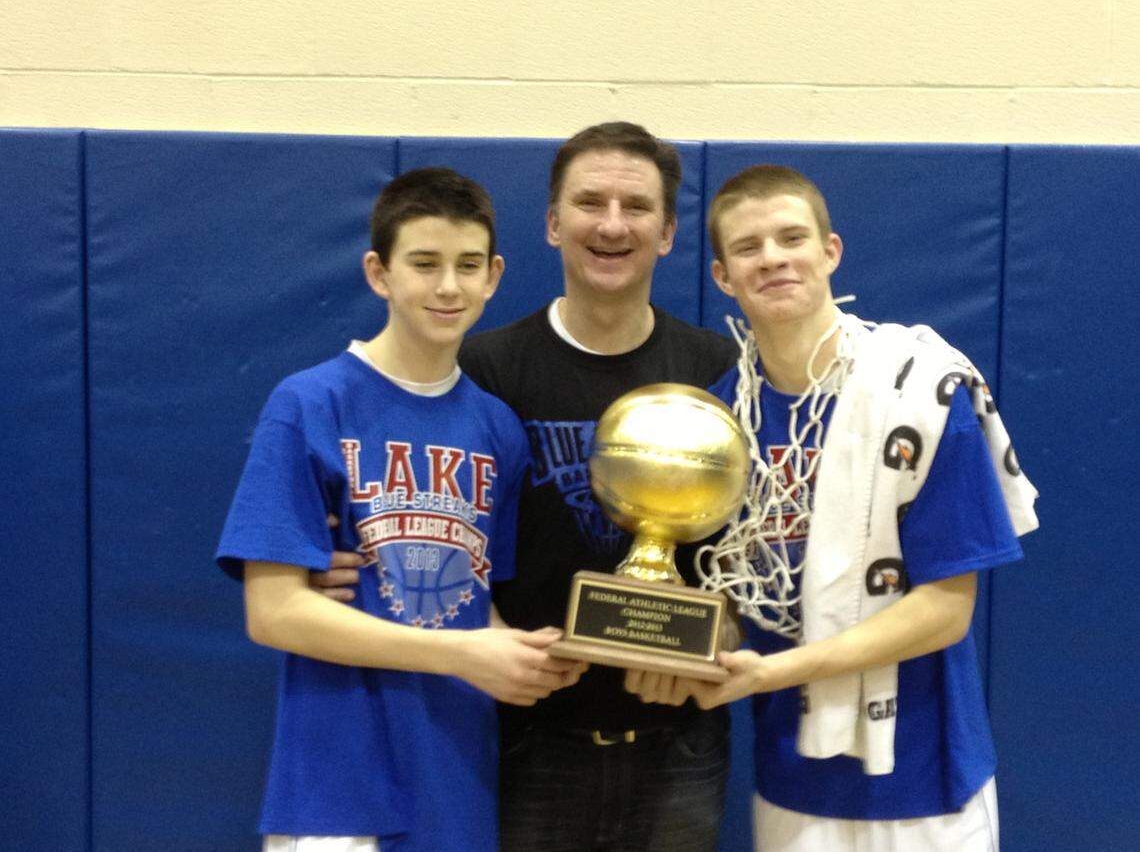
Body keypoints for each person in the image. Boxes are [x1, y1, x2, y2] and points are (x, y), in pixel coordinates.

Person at [314, 123, 740, 851]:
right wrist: (340, 570)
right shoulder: (483, 369)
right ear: (552, 223)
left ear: (668, 231)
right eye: (589, 202)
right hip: (527, 737)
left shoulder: (717, 370)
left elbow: (749, 561)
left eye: (636, 206)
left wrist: (718, 638)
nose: (611, 224)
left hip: (681, 740)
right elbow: (416, 506)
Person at [635, 164, 1038, 851]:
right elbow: (731, 598)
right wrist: (684, 650)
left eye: (792, 237)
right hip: (793, 774)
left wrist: (775, 672)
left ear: (831, 252)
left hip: (924, 776)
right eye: (748, 246)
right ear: (723, 276)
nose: (773, 258)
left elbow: (946, 608)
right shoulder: (717, 423)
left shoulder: (921, 391)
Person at [216, 168, 583, 852]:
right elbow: (273, 613)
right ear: (378, 272)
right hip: (336, 784)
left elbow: (477, 602)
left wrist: (533, 654)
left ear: (494, 275)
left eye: (467, 265)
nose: (448, 286)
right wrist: (464, 652)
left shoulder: (497, 427)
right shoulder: (308, 405)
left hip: (456, 776)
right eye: (424, 264)